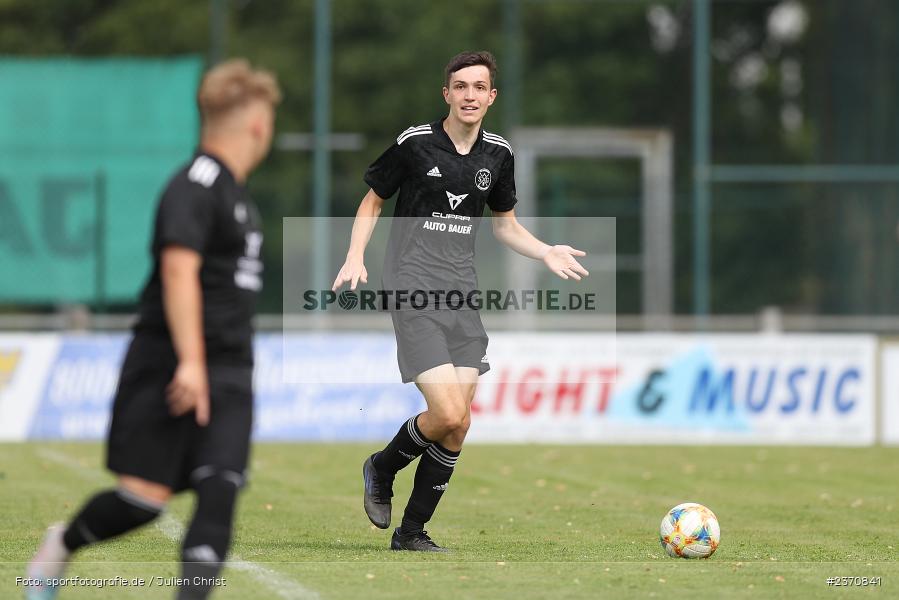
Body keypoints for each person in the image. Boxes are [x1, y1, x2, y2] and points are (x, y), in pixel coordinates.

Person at [26, 58, 280, 599]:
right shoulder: (195, 185)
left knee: (221, 489)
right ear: (258, 123)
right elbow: (177, 271)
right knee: (143, 500)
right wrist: (190, 361)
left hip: (232, 368)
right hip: (169, 361)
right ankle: (62, 544)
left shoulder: (237, 197)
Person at [332, 50, 588, 552]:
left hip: (462, 295)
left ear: (491, 97)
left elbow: (505, 226)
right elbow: (373, 199)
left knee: (459, 425)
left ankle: (411, 533)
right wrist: (354, 254)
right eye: (461, 86)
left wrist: (545, 251)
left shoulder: (499, 154)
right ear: (446, 93)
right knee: (447, 413)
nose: (470, 95)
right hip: (412, 289)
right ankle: (382, 467)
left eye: (479, 87)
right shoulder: (415, 143)